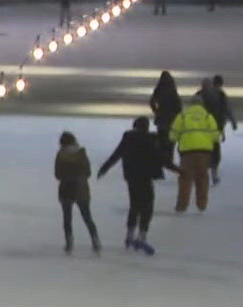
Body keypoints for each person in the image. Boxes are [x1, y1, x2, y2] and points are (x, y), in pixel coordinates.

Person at [98, 116, 170, 254]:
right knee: (147, 206)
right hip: (145, 177)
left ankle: (130, 235)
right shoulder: (149, 140)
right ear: (146, 127)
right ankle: (141, 236)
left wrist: (104, 168)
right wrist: (178, 170)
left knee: (135, 205)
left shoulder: (128, 138)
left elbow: (116, 154)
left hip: (131, 177)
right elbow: (160, 158)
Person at [168, 93, 221, 212]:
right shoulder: (208, 116)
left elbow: (173, 135)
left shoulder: (182, 116)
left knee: (185, 178)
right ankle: (201, 204)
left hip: (187, 152)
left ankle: (182, 205)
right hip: (204, 151)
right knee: (202, 177)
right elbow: (215, 136)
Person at [54, 132, 101, 254]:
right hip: (81, 188)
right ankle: (95, 239)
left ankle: (69, 242)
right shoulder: (81, 154)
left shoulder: (61, 155)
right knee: (87, 216)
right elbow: (88, 172)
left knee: (67, 217)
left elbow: (57, 174)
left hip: (65, 189)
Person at [197, 76, 237, 185]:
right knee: (215, 151)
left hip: (200, 128)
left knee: (202, 151)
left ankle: (203, 173)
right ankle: (214, 172)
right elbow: (226, 109)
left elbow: (191, 111)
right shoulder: (220, 95)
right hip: (215, 127)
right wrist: (232, 122)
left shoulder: (198, 95)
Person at [148, 71, 182, 155]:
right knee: (170, 139)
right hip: (171, 118)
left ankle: (161, 156)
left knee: (162, 137)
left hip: (161, 117)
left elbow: (151, 101)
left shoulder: (158, 89)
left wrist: (156, 111)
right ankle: (169, 156)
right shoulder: (173, 90)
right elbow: (178, 105)